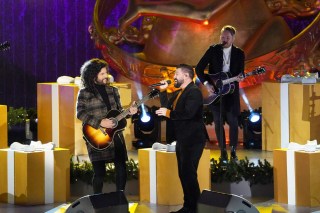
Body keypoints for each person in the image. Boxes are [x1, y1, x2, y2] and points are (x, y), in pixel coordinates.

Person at [76, 58, 138, 194]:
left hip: (116, 136)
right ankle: (98, 200)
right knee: (99, 173)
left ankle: (119, 198)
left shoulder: (113, 91)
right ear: (93, 75)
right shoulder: (84, 92)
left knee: (121, 169)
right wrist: (100, 123)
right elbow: (80, 113)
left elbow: (119, 112)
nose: (106, 76)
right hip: (97, 137)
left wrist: (129, 112)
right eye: (102, 74)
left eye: (106, 73)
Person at [156, 64, 206, 213]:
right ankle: (188, 206)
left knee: (189, 174)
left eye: (176, 74)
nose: (174, 77)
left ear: (186, 75)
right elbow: (167, 107)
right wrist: (163, 91)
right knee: (184, 174)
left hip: (193, 139)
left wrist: (169, 113)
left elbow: (188, 113)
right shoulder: (180, 93)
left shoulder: (194, 92)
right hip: (183, 139)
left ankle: (194, 208)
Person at [195, 25, 245, 162]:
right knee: (218, 121)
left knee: (233, 122)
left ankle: (233, 150)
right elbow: (199, 68)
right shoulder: (213, 50)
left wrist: (240, 76)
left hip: (231, 91)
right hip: (215, 92)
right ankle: (222, 151)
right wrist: (207, 83)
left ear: (233, 38)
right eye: (222, 37)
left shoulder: (239, 53)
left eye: (227, 37)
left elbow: (241, 72)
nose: (224, 40)